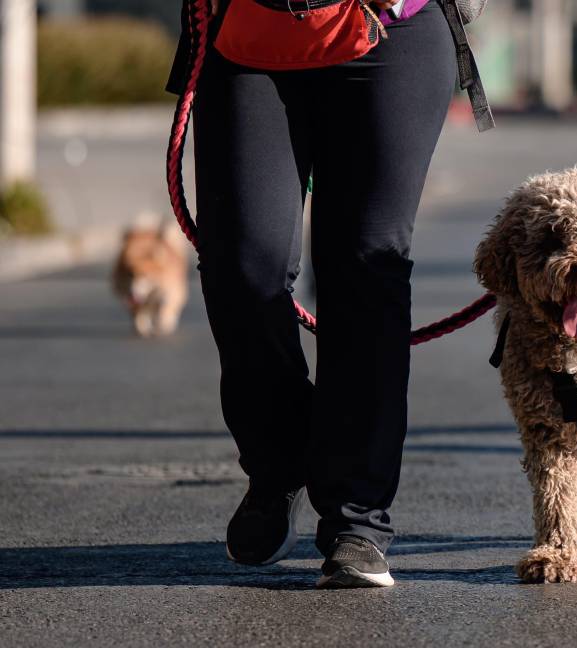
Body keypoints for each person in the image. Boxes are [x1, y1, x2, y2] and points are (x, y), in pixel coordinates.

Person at [165, 0, 459, 588]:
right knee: (243, 267)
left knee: (365, 266)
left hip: (390, 31)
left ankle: (357, 520)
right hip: (249, 33)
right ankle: (279, 463)